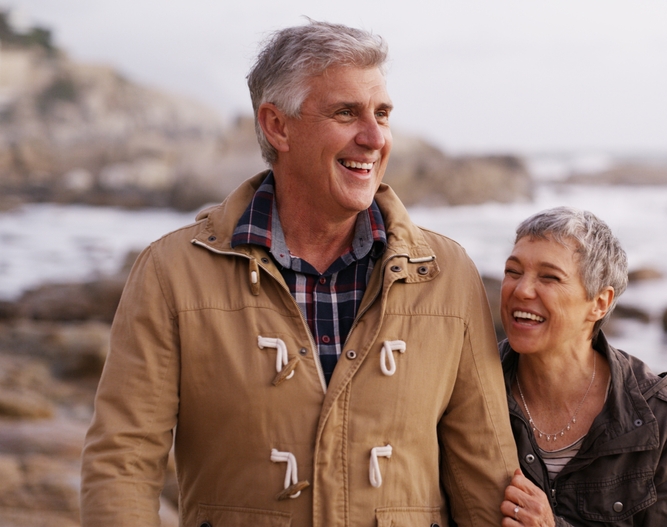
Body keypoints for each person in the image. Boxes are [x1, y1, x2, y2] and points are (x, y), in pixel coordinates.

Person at [81, 21, 518, 527]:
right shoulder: (171, 272)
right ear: (277, 126)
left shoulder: (446, 274)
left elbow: (487, 475)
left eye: (382, 114)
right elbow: (122, 465)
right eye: (345, 113)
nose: (374, 138)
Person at [497, 207, 667, 527]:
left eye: (549, 277)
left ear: (600, 303)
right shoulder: (467, 384)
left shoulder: (661, 418)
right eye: (513, 271)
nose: (521, 290)